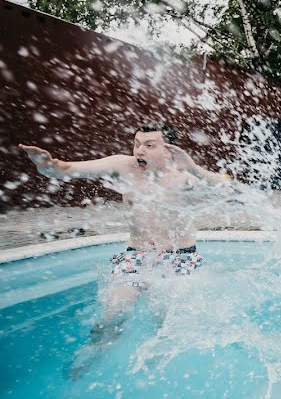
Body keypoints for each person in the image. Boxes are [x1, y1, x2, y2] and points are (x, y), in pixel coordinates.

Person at [19, 123, 230, 312]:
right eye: (137, 144)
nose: (139, 150)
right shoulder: (121, 166)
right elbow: (64, 169)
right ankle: (97, 353)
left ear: (169, 150)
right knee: (112, 313)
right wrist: (45, 165)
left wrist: (193, 167)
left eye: (149, 145)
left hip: (179, 257)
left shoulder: (186, 176)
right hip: (137, 255)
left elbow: (227, 187)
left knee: (164, 317)